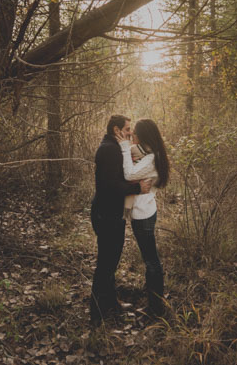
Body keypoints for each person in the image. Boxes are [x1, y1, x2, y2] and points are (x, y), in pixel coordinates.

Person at [90, 115, 152, 324]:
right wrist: (138, 188)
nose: (130, 132)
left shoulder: (112, 147)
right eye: (126, 129)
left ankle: (110, 303)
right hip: (106, 214)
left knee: (110, 261)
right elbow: (110, 186)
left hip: (110, 213)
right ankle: (96, 314)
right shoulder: (109, 150)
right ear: (116, 130)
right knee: (106, 264)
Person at [119, 118, 170, 319]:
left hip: (143, 215)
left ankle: (156, 308)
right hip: (147, 210)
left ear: (143, 136)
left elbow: (129, 174)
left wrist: (125, 147)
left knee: (151, 261)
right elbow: (137, 159)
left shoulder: (151, 159)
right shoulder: (153, 155)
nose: (133, 136)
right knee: (151, 259)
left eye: (135, 134)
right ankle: (154, 302)